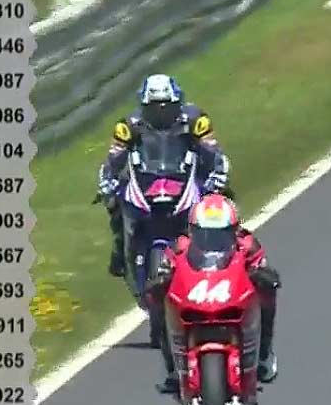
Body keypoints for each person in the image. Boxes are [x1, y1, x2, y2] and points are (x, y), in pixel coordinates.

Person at [96, 74, 231, 277]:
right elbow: (114, 157)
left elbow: (212, 151)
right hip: (146, 177)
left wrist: (217, 175)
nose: (161, 112)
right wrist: (108, 180)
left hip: (187, 175)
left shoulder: (195, 120)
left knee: (221, 202)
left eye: (167, 107)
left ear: (177, 103)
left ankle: (232, 251)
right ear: (144, 106)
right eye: (154, 107)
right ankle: (120, 246)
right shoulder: (128, 126)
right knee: (115, 203)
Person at [147, 194, 282, 394]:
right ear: (192, 231)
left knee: (267, 294)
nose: (212, 241)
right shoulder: (180, 247)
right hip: (195, 296)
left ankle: (263, 354)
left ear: (234, 231)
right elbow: (163, 271)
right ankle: (173, 368)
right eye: (204, 234)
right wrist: (161, 281)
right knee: (160, 301)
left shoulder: (248, 245)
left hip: (231, 295)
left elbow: (264, 269)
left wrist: (262, 276)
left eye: (221, 235)